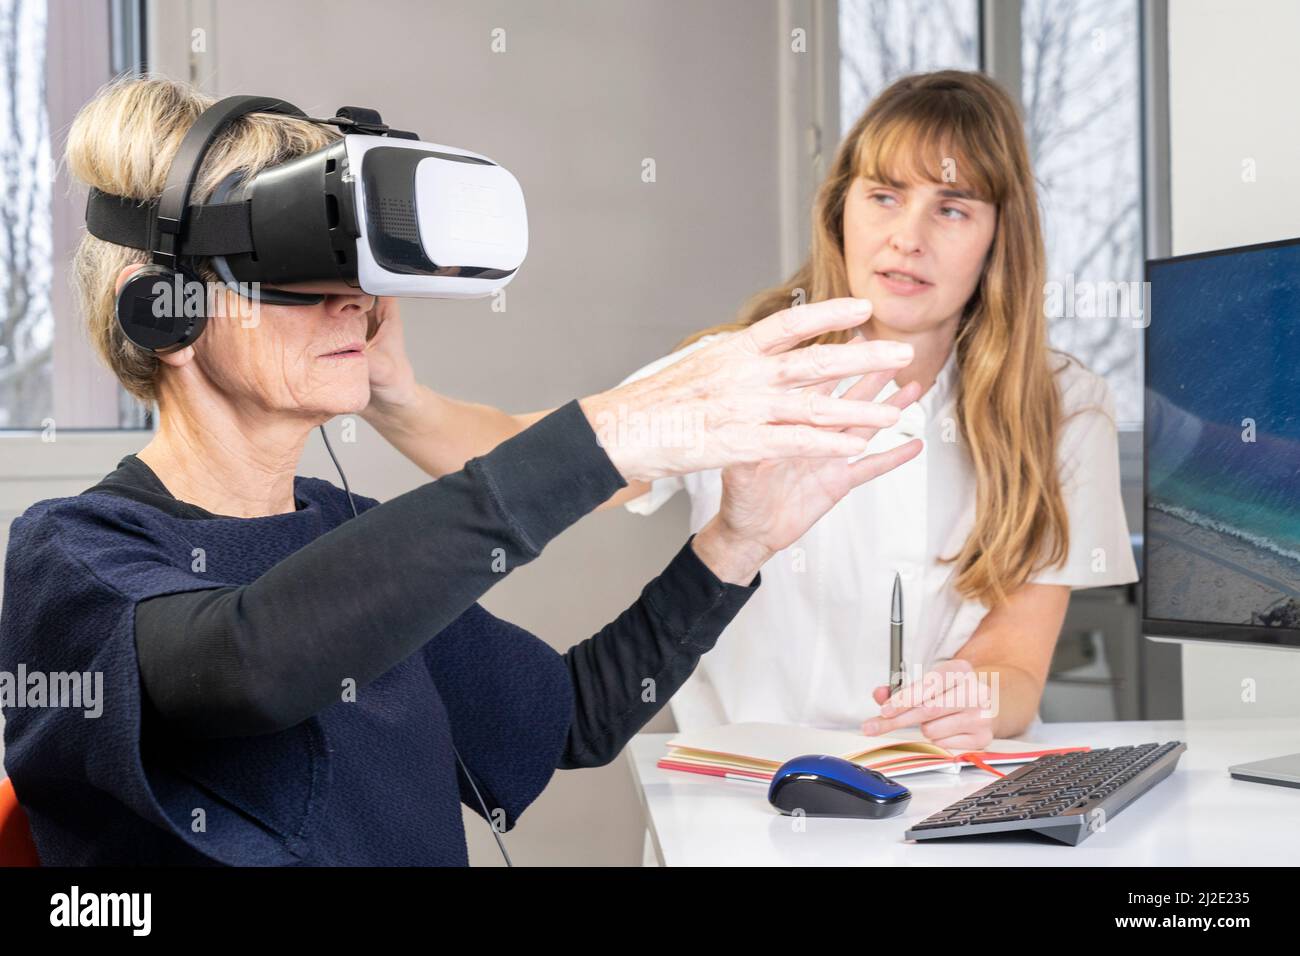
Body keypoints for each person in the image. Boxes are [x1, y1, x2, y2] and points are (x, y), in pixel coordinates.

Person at [0, 76, 923, 866]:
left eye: (350, 258)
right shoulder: (74, 556)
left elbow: (573, 718)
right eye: (291, 263)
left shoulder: (344, 531)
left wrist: (734, 544)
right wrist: (604, 433)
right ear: (165, 309)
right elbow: (252, 664)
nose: (354, 300)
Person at [356, 71, 1139, 750]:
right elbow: (533, 455)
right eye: (885, 196)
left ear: (1002, 238)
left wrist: (974, 696)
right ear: (840, 211)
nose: (908, 237)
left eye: (954, 208)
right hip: (738, 798)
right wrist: (397, 398)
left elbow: (1017, 669)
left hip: (935, 789)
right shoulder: (742, 368)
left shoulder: (1066, 407)